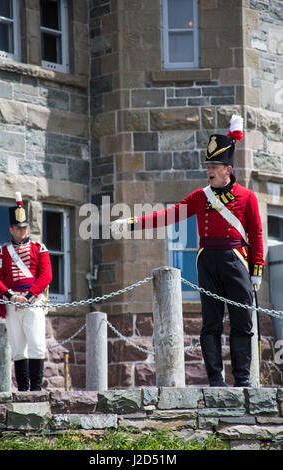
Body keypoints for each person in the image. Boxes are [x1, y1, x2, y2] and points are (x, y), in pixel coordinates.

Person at [111, 115, 265, 387]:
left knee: (242, 324)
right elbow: (169, 215)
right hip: (207, 262)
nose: (209, 170)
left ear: (228, 168)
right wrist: (134, 223)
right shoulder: (199, 197)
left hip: (237, 261)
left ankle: (243, 380)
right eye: (208, 165)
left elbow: (256, 234)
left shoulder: (247, 196)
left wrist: (257, 269)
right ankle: (215, 380)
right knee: (211, 325)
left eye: (214, 165)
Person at [0, 192, 52, 391]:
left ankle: (35, 389)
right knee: (18, 349)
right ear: (11, 229)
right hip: (12, 303)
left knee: (36, 345)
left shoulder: (39, 248)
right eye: (18, 228)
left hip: (33, 302)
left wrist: (30, 295)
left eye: (24, 227)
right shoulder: (2, 252)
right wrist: (11, 296)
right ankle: (23, 389)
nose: (22, 231)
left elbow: (46, 276)